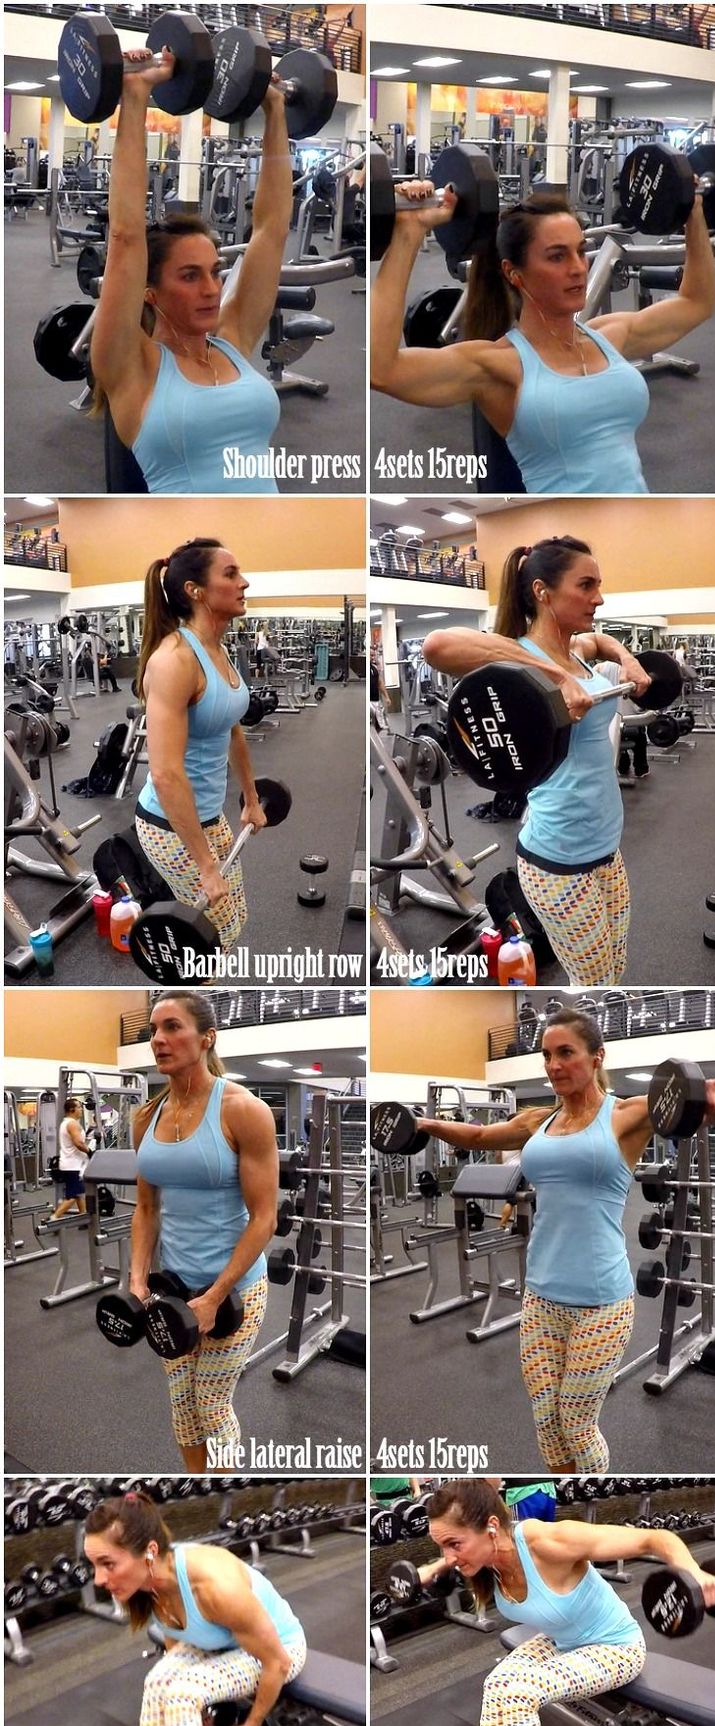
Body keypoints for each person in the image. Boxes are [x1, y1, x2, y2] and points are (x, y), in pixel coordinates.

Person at [413, 1008, 715, 1471]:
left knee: (577, 1423)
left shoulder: (627, 1114)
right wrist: (425, 1126)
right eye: (546, 1055)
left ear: (597, 1056)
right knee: (546, 1423)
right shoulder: (537, 1121)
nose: (553, 1065)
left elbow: (689, 1103)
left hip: (600, 1301)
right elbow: (480, 1134)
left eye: (566, 1053)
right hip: (540, 1296)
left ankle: (592, 1506)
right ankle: (567, 1502)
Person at [424, 1478, 715, 1726]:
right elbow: (455, 1553)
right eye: (441, 1546)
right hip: (565, 1641)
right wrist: (435, 1565)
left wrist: (693, 1572)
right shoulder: (484, 1558)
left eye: (453, 1545)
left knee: (519, 1693)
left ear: (492, 1528)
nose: (449, 1556)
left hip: (615, 1647)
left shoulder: (549, 1541)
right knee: (495, 1683)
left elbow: (657, 1539)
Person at [371, 185, 715, 495]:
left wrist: (693, 213)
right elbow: (382, 370)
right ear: (513, 272)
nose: (578, 268)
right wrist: (409, 235)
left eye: (580, 251)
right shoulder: (499, 365)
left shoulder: (609, 336)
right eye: (557, 256)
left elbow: (696, 303)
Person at [423, 534, 656, 987]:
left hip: (607, 848)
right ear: (542, 592)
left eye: (598, 585)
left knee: (617, 965)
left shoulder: (575, 651)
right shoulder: (518, 664)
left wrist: (627, 658)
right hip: (557, 858)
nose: (599, 597)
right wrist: (550, 674)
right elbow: (435, 644)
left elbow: (602, 641)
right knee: (595, 983)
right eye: (586, 585)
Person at [89, 49, 292, 493]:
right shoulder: (132, 365)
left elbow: (272, 229)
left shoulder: (232, 339)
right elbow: (125, 236)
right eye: (189, 275)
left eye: (215, 272)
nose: (211, 289)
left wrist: (274, 110)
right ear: (150, 292)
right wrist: (136, 93)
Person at [84, 1489, 307, 1726]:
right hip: (221, 1645)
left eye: (107, 1564)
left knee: (184, 1692)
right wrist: (190, 1694)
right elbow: (176, 1637)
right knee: (158, 1682)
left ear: (149, 1552)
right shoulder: (149, 1584)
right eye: (94, 1566)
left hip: (278, 1652)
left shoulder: (214, 1585)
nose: (99, 1579)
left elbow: (277, 1662)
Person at [128, 989, 278, 1470]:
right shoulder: (145, 1118)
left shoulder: (243, 1110)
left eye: (172, 1027)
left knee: (211, 1403)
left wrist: (215, 1295)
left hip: (234, 1289)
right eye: (154, 1030)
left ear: (207, 1037)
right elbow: (146, 1207)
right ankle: (198, 1481)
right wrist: (136, 1278)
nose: (159, 1039)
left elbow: (264, 1218)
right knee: (181, 1405)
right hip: (172, 1288)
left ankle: (224, 1494)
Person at [134, 537, 268, 951]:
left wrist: (250, 795)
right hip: (170, 826)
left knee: (236, 916)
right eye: (230, 574)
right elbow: (165, 773)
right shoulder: (174, 660)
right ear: (195, 590)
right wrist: (206, 865)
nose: (244, 582)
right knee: (211, 939)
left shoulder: (218, 649)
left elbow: (232, 726)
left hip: (211, 815)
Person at [50, 1096, 90, 1220]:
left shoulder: (65, 1123)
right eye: (79, 1107)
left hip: (71, 1164)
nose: (81, 1110)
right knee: (72, 1196)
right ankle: (53, 1218)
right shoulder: (72, 1124)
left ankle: (84, 1218)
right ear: (72, 1109)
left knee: (78, 1193)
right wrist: (90, 1151)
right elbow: (78, 1143)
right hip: (74, 1166)